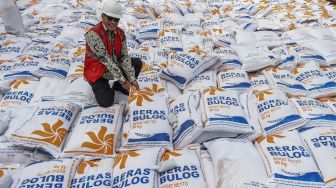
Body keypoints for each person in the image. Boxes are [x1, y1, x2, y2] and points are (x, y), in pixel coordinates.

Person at [84, 0, 142, 107]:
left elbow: (124, 57)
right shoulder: (93, 34)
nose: (113, 22)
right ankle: (107, 87)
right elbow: (106, 61)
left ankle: (119, 87)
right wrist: (124, 81)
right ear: (103, 16)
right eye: (110, 18)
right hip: (98, 72)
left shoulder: (120, 33)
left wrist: (132, 79)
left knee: (137, 63)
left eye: (116, 19)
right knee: (106, 102)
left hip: (113, 67)